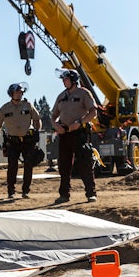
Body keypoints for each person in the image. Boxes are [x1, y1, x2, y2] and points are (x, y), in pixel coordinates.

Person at [51, 69, 99, 204]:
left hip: (80, 134)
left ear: (73, 80)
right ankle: (64, 195)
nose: (63, 81)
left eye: (65, 79)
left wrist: (80, 122)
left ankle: (91, 194)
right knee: (64, 165)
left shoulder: (84, 93)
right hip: (64, 134)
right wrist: (56, 126)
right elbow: (53, 115)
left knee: (85, 163)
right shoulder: (61, 96)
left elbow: (93, 112)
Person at [0, 82, 43, 200]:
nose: (19, 94)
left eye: (21, 92)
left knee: (28, 165)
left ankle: (26, 191)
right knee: (12, 167)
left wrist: (37, 131)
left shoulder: (28, 105)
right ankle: (11, 191)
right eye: (17, 92)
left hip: (27, 141)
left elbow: (37, 119)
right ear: (11, 94)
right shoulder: (5, 108)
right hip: (12, 142)